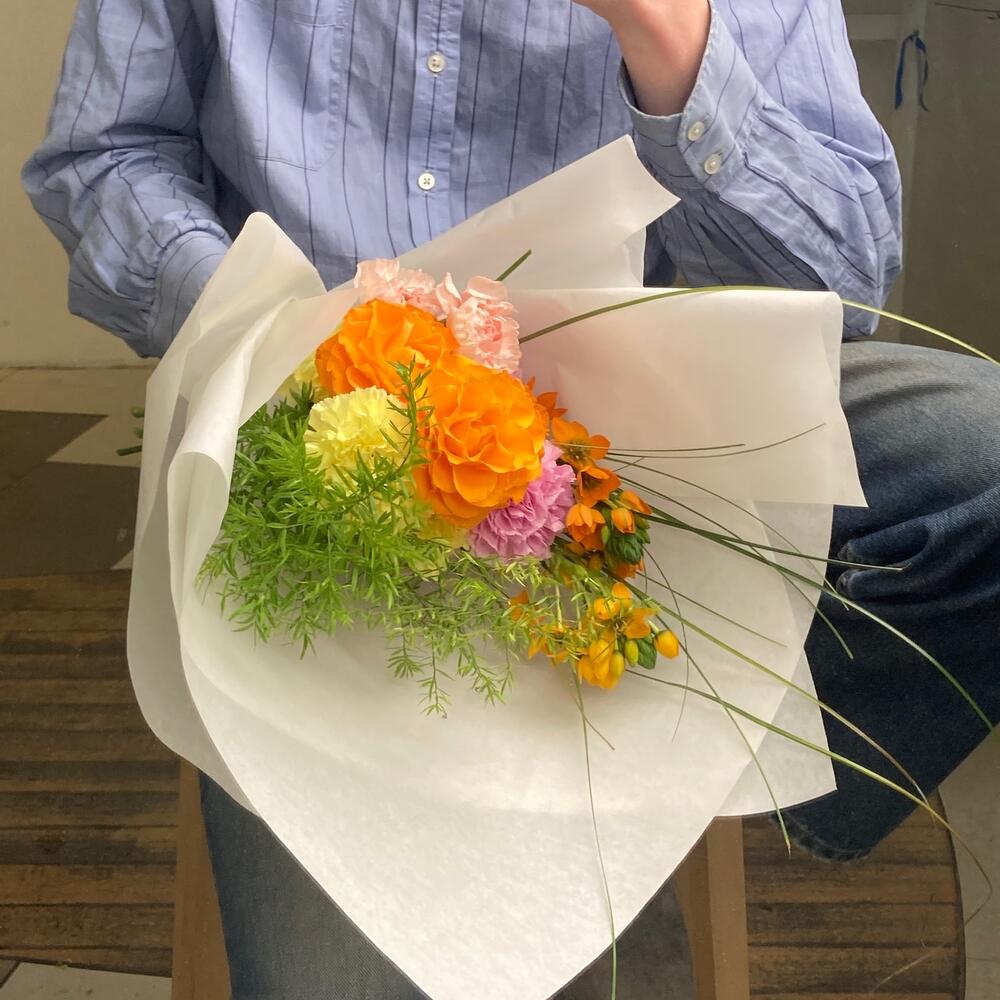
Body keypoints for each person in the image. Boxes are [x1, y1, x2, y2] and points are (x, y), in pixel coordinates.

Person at [24, 1, 1000, 997]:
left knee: (983, 460)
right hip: (320, 460)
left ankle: (697, 768)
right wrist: (267, 337)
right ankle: (563, 795)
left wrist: (671, 39)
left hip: (643, 446)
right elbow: (103, 158)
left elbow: (843, 285)